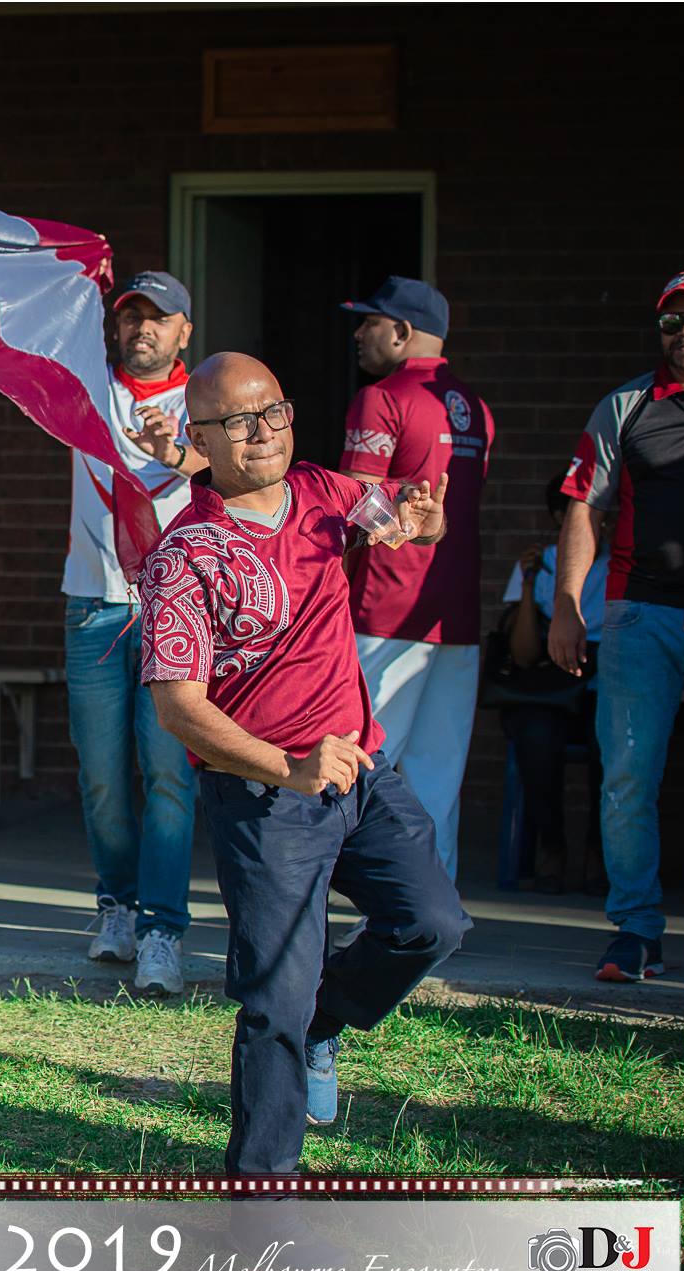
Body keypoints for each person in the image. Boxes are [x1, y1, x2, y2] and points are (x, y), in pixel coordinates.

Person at [139, 352, 468, 1174]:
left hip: (361, 770)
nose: (262, 432)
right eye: (237, 421)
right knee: (272, 1001)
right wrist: (286, 767)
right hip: (263, 798)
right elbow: (178, 708)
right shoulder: (184, 555)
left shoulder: (324, 491)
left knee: (431, 923)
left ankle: (327, 1018)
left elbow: (398, 522)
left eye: (273, 411)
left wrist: (422, 521)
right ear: (199, 440)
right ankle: (261, 1191)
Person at [60, 269, 205, 993]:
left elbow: (225, 472)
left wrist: (172, 452)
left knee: (170, 775)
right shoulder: (83, 387)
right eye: (130, 316)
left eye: (159, 318)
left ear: (184, 331)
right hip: (93, 605)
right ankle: (116, 906)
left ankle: (162, 931)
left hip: (175, 610)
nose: (142, 328)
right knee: (101, 777)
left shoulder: (205, 398)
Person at [550, 269, 684, 983]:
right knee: (628, 774)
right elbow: (585, 507)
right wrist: (567, 605)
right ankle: (635, 930)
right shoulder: (626, 406)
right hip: (640, 614)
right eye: (672, 320)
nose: (682, 332)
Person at [339, 277, 494, 880]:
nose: (359, 334)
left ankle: (345, 911)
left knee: (356, 764)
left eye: (369, 322)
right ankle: (429, 914)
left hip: (384, 609)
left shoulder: (381, 397)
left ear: (402, 332)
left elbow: (356, 507)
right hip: (456, 616)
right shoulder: (477, 409)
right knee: (437, 779)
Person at [495, 475, 607, 895]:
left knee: (611, 742)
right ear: (562, 517)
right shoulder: (541, 564)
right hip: (550, 686)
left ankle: (598, 852)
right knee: (536, 737)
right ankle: (552, 847)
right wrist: (528, 586)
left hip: (600, 684)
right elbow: (523, 655)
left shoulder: (620, 566)